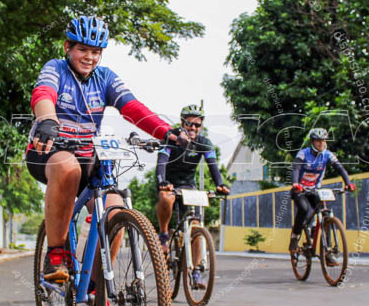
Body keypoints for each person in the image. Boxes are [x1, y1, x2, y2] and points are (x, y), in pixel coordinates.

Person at [26, 15, 186, 282]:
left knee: (116, 210)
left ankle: (98, 288)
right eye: (83, 50)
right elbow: (43, 94)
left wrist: (165, 131)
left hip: (90, 158)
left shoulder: (106, 78)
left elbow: (132, 107)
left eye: (96, 52)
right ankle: (55, 255)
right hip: (49, 152)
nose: (89, 57)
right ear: (68, 47)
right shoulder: (55, 68)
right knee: (68, 167)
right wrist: (48, 120)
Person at [155, 104, 230, 289]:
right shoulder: (171, 138)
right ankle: (164, 235)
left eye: (197, 125)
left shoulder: (204, 143)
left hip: (189, 186)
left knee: (196, 227)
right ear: (182, 123)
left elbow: (213, 166)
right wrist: (162, 181)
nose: (193, 128)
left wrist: (220, 184)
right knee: (166, 198)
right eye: (190, 124)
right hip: (169, 182)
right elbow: (161, 163)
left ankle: (197, 272)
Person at [289, 128, 355, 258]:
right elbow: (296, 168)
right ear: (312, 142)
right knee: (303, 208)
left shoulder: (328, 155)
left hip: (316, 190)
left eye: (323, 141)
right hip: (300, 189)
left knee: (325, 214)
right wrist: (295, 183)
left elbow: (340, 168)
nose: (321, 143)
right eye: (318, 141)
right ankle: (295, 238)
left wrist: (348, 183)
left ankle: (327, 252)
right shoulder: (303, 154)